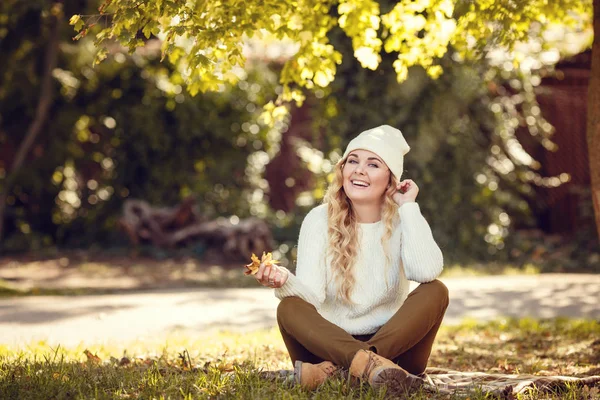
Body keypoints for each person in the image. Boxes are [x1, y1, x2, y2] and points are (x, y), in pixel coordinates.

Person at [253, 125, 449, 396]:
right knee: (289, 307)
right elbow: (310, 298)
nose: (359, 169)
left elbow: (426, 271)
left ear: (391, 179)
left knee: (436, 290)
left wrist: (408, 207)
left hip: (395, 349)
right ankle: (368, 368)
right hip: (327, 346)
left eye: (373, 164)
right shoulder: (318, 220)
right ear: (342, 170)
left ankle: (335, 373)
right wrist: (285, 281)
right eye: (353, 161)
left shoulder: (405, 219)